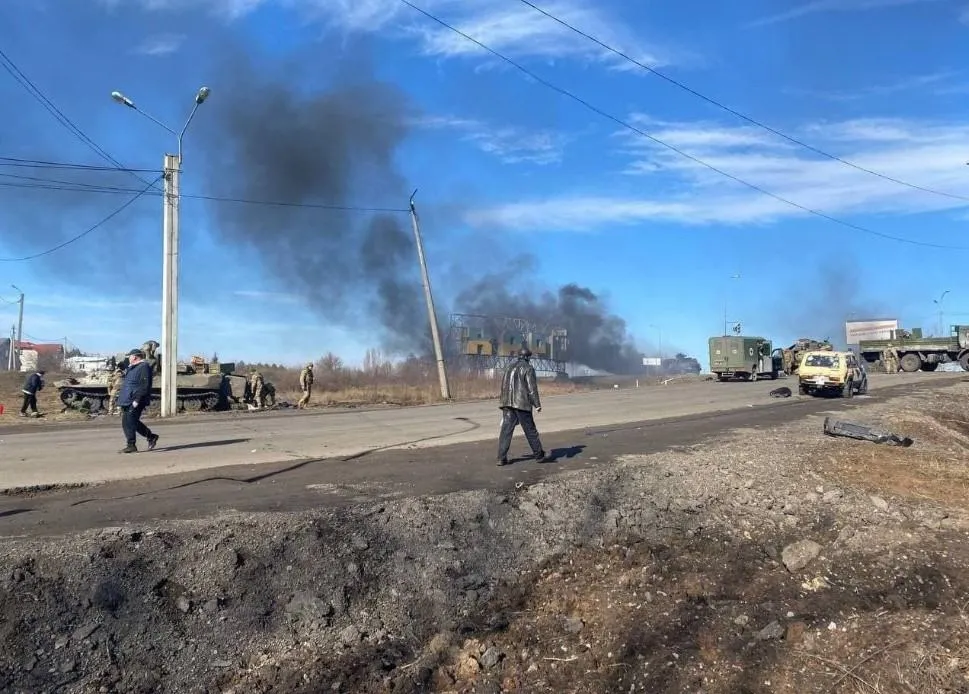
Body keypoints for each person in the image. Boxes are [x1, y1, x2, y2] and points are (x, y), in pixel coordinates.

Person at [496, 347, 548, 466]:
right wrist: (537, 404)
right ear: (527, 357)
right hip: (521, 404)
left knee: (506, 431)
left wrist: (503, 403)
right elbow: (531, 389)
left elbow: (503, 385)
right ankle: (539, 455)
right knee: (530, 430)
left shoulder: (509, 367)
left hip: (507, 403)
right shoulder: (528, 368)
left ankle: (501, 458)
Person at [117, 348, 159, 453]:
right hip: (127, 399)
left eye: (129, 356)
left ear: (134, 357)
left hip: (135, 400)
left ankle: (131, 445)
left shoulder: (144, 367)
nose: (128, 358)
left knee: (130, 422)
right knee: (128, 422)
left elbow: (144, 385)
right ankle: (151, 436)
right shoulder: (132, 368)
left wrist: (137, 399)